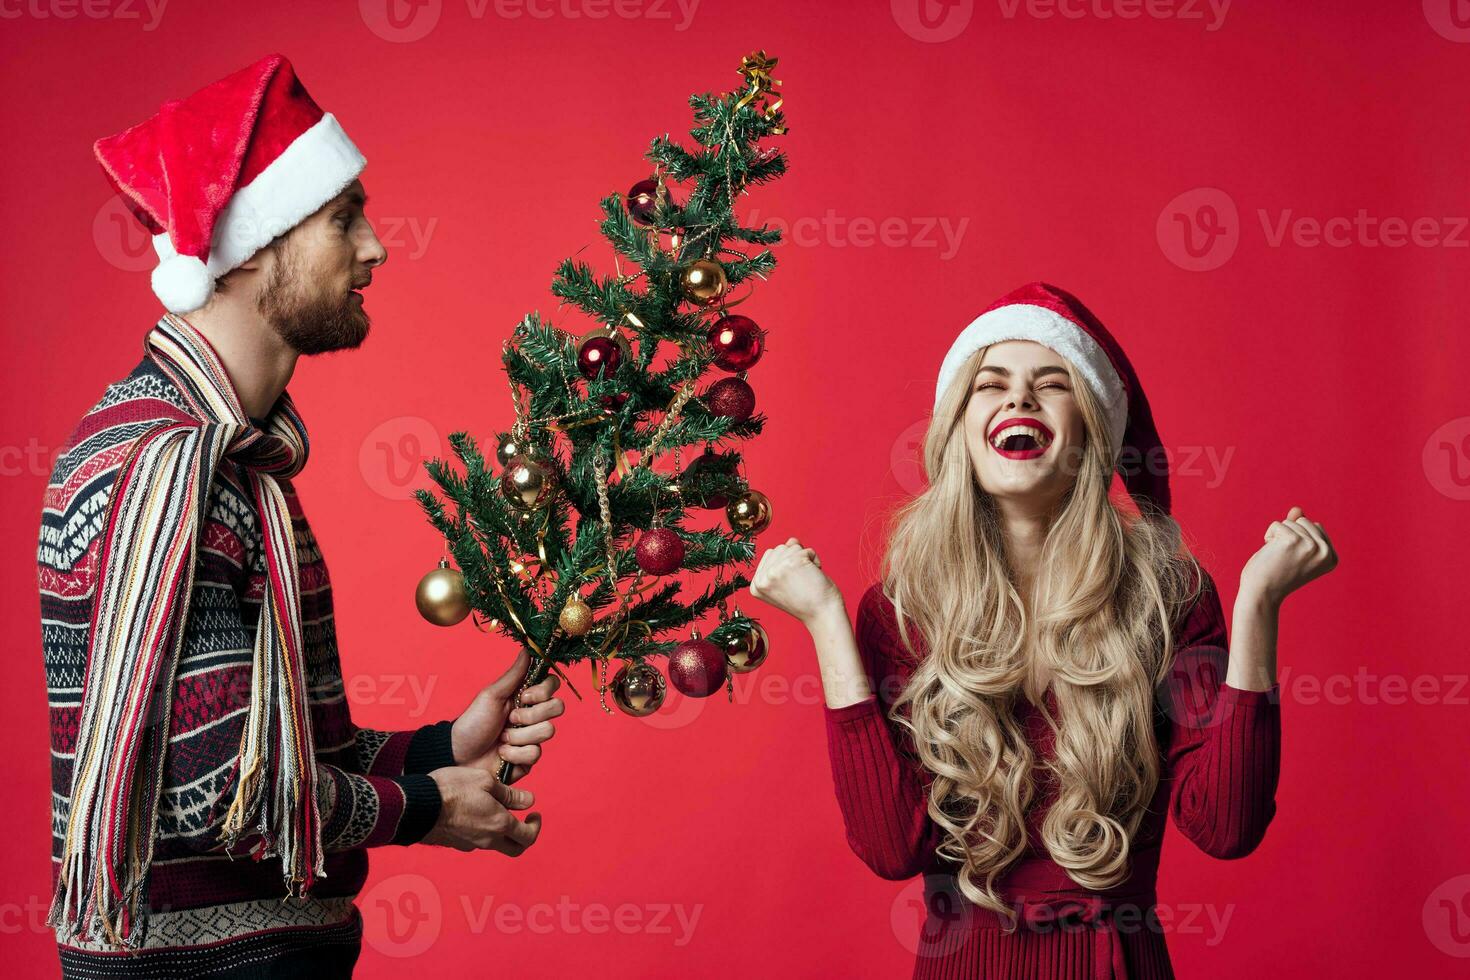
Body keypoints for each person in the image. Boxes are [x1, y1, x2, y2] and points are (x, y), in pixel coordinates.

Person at [37, 54, 564, 978]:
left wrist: (443, 746)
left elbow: (271, 749)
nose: (376, 248)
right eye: (342, 218)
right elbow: (224, 797)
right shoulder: (168, 472)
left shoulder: (241, 464)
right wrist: (432, 808)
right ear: (255, 248)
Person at [749, 282, 1338, 978]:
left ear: (1093, 427)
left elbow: (1227, 827)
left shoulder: (1168, 597)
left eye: (1050, 383)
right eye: (990, 384)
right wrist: (826, 625)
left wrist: (1257, 608)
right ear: (959, 429)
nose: (1019, 400)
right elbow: (890, 850)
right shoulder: (901, 611)